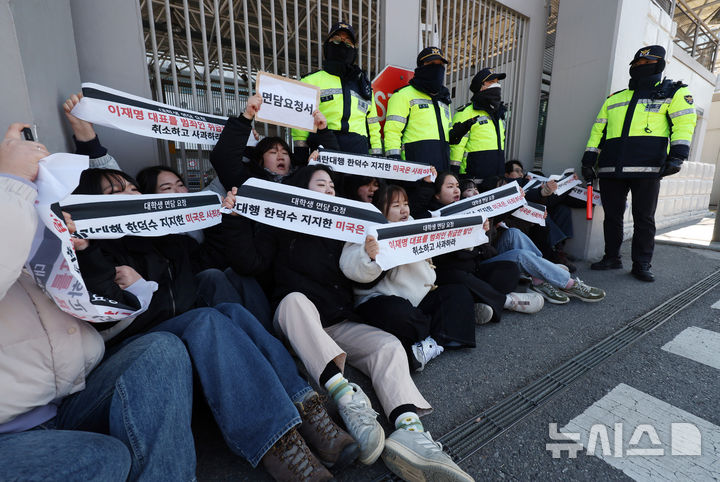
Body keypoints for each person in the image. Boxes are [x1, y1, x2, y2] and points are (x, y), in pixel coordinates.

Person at [71, 168, 359, 481]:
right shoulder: (92, 250)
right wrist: (99, 259)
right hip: (136, 351)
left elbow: (198, 279)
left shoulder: (164, 240)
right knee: (206, 319)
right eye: (115, 193)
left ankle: (306, 406)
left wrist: (228, 215)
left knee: (231, 311)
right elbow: (104, 315)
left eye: (132, 188)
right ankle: (278, 443)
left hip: (175, 328)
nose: (130, 194)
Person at [223, 165, 473, 481]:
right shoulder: (279, 229)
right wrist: (233, 220)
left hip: (339, 322)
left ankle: (411, 431)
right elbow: (249, 262)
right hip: (297, 321)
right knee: (294, 301)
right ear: (300, 190)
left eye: (331, 186)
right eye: (320, 184)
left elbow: (358, 272)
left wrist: (371, 258)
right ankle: (348, 400)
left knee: (388, 346)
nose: (328, 190)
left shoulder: (347, 229)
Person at [0, 123, 197, 481]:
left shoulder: (39, 231)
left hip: (70, 397)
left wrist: (123, 281)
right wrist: (11, 182)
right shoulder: (11, 209)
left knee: (164, 347)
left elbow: (94, 317)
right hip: (12, 426)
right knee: (103, 458)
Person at [582, 45, 697, 282]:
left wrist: (678, 156)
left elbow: (684, 125)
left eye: (647, 64)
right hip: (611, 167)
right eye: (637, 64)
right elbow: (598, 131)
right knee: (612, 217)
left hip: (648, 167)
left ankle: (642, 263)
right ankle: (611, 257)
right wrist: (588, 159)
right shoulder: (615, 98)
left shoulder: (673, 93)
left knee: (644, 218)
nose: (641, 67)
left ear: (660, 65)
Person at [341, 184, 483, 371]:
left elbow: (445, 239)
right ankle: (441, 331)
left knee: (457, 293)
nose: (403, 210)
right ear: (380, 210)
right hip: (381, 300)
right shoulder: (367, 233)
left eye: (405, 203)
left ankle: (431, 344)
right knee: (399, 314)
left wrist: (474, 231)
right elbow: (351, 267)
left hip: (419, 298)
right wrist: (369, 255)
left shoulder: (415, 226)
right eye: (395, 205)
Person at [291, 22, 382, 156]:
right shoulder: (310, 81)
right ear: (327, 46)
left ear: (354, 50)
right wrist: (301, 154)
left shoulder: (364, 86)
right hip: (324, 146)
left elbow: (373, 125)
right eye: (337, 40)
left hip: (359, 153)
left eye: (347, 43)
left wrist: (376, 155)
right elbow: (300, 123)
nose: (342, 45)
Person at [384, 47, 453, 171]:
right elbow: (392, 131)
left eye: (440, 65)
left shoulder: (444, 100)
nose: (437, 68)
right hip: (415, 170)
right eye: (431, 64)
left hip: (442, 170)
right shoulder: (403, 95)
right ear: (421, 67)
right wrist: (394, 161)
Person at [449, 68, 507, 179]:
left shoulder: (499, 114)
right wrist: (454, 174)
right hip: (473, 179)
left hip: (496, 179)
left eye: (497, 82)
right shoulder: (466, 113)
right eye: (491, 82)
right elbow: (456, 146)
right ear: (479, 87)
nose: (496, 86)